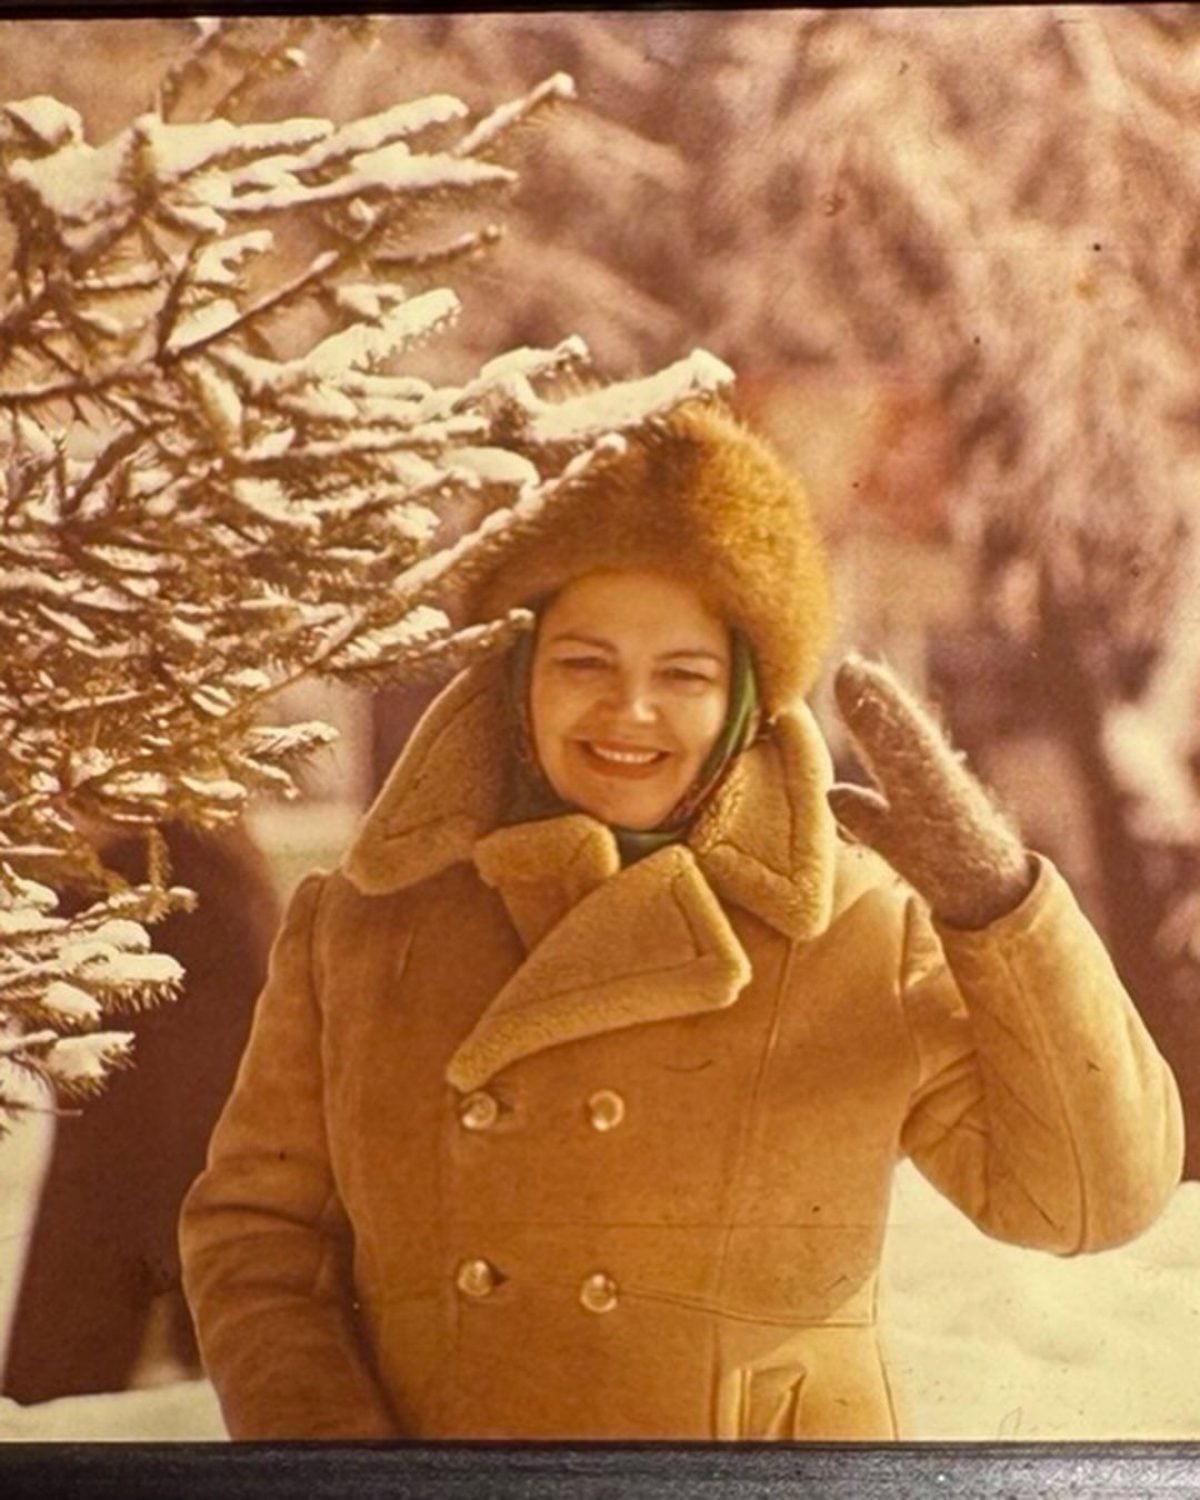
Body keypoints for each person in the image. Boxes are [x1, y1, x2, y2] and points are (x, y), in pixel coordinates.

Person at [179, 401, 1183, 1441]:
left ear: (745, 695)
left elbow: (1088, 1201)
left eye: (684, 675)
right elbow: (258, 1236)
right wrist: (342, 1465)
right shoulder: (364, 926)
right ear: (517, 675)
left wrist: (999, 907)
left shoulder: (857, 927)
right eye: (584, 663)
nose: (630, 711)